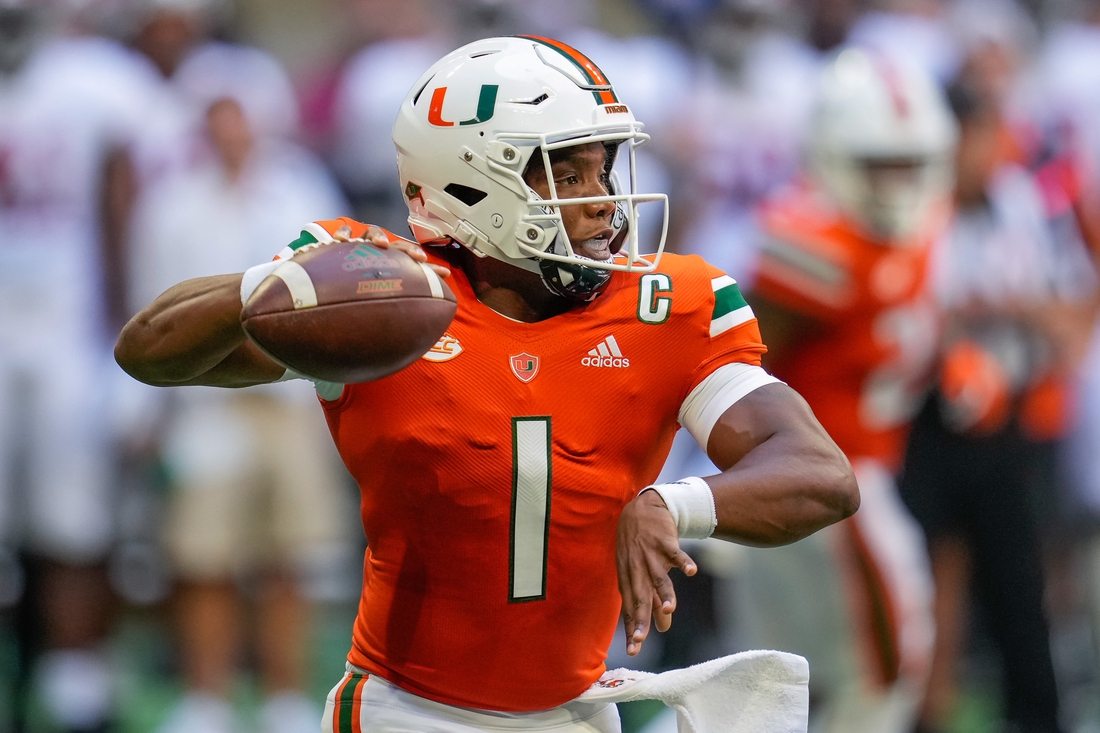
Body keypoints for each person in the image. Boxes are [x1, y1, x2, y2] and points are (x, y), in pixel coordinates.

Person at [115, 36, 858, 732]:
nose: (602, 199)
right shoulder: (380, 301)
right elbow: (149, 351)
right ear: (469, 184)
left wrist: (677, 501)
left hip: (575, 710)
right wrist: (271, 286)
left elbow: (818, 474)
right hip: (406, 713)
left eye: (602, 168)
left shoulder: (668, 308)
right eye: (566, 173)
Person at [707, 48, 955, 732]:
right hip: (832, 476)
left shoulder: (922, 225)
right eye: (881, 163)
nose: (898, 181)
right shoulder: (811, 243)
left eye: (910, 162)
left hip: (862, 467)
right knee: (885, 662)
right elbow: (737, 366)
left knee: (779, 677)